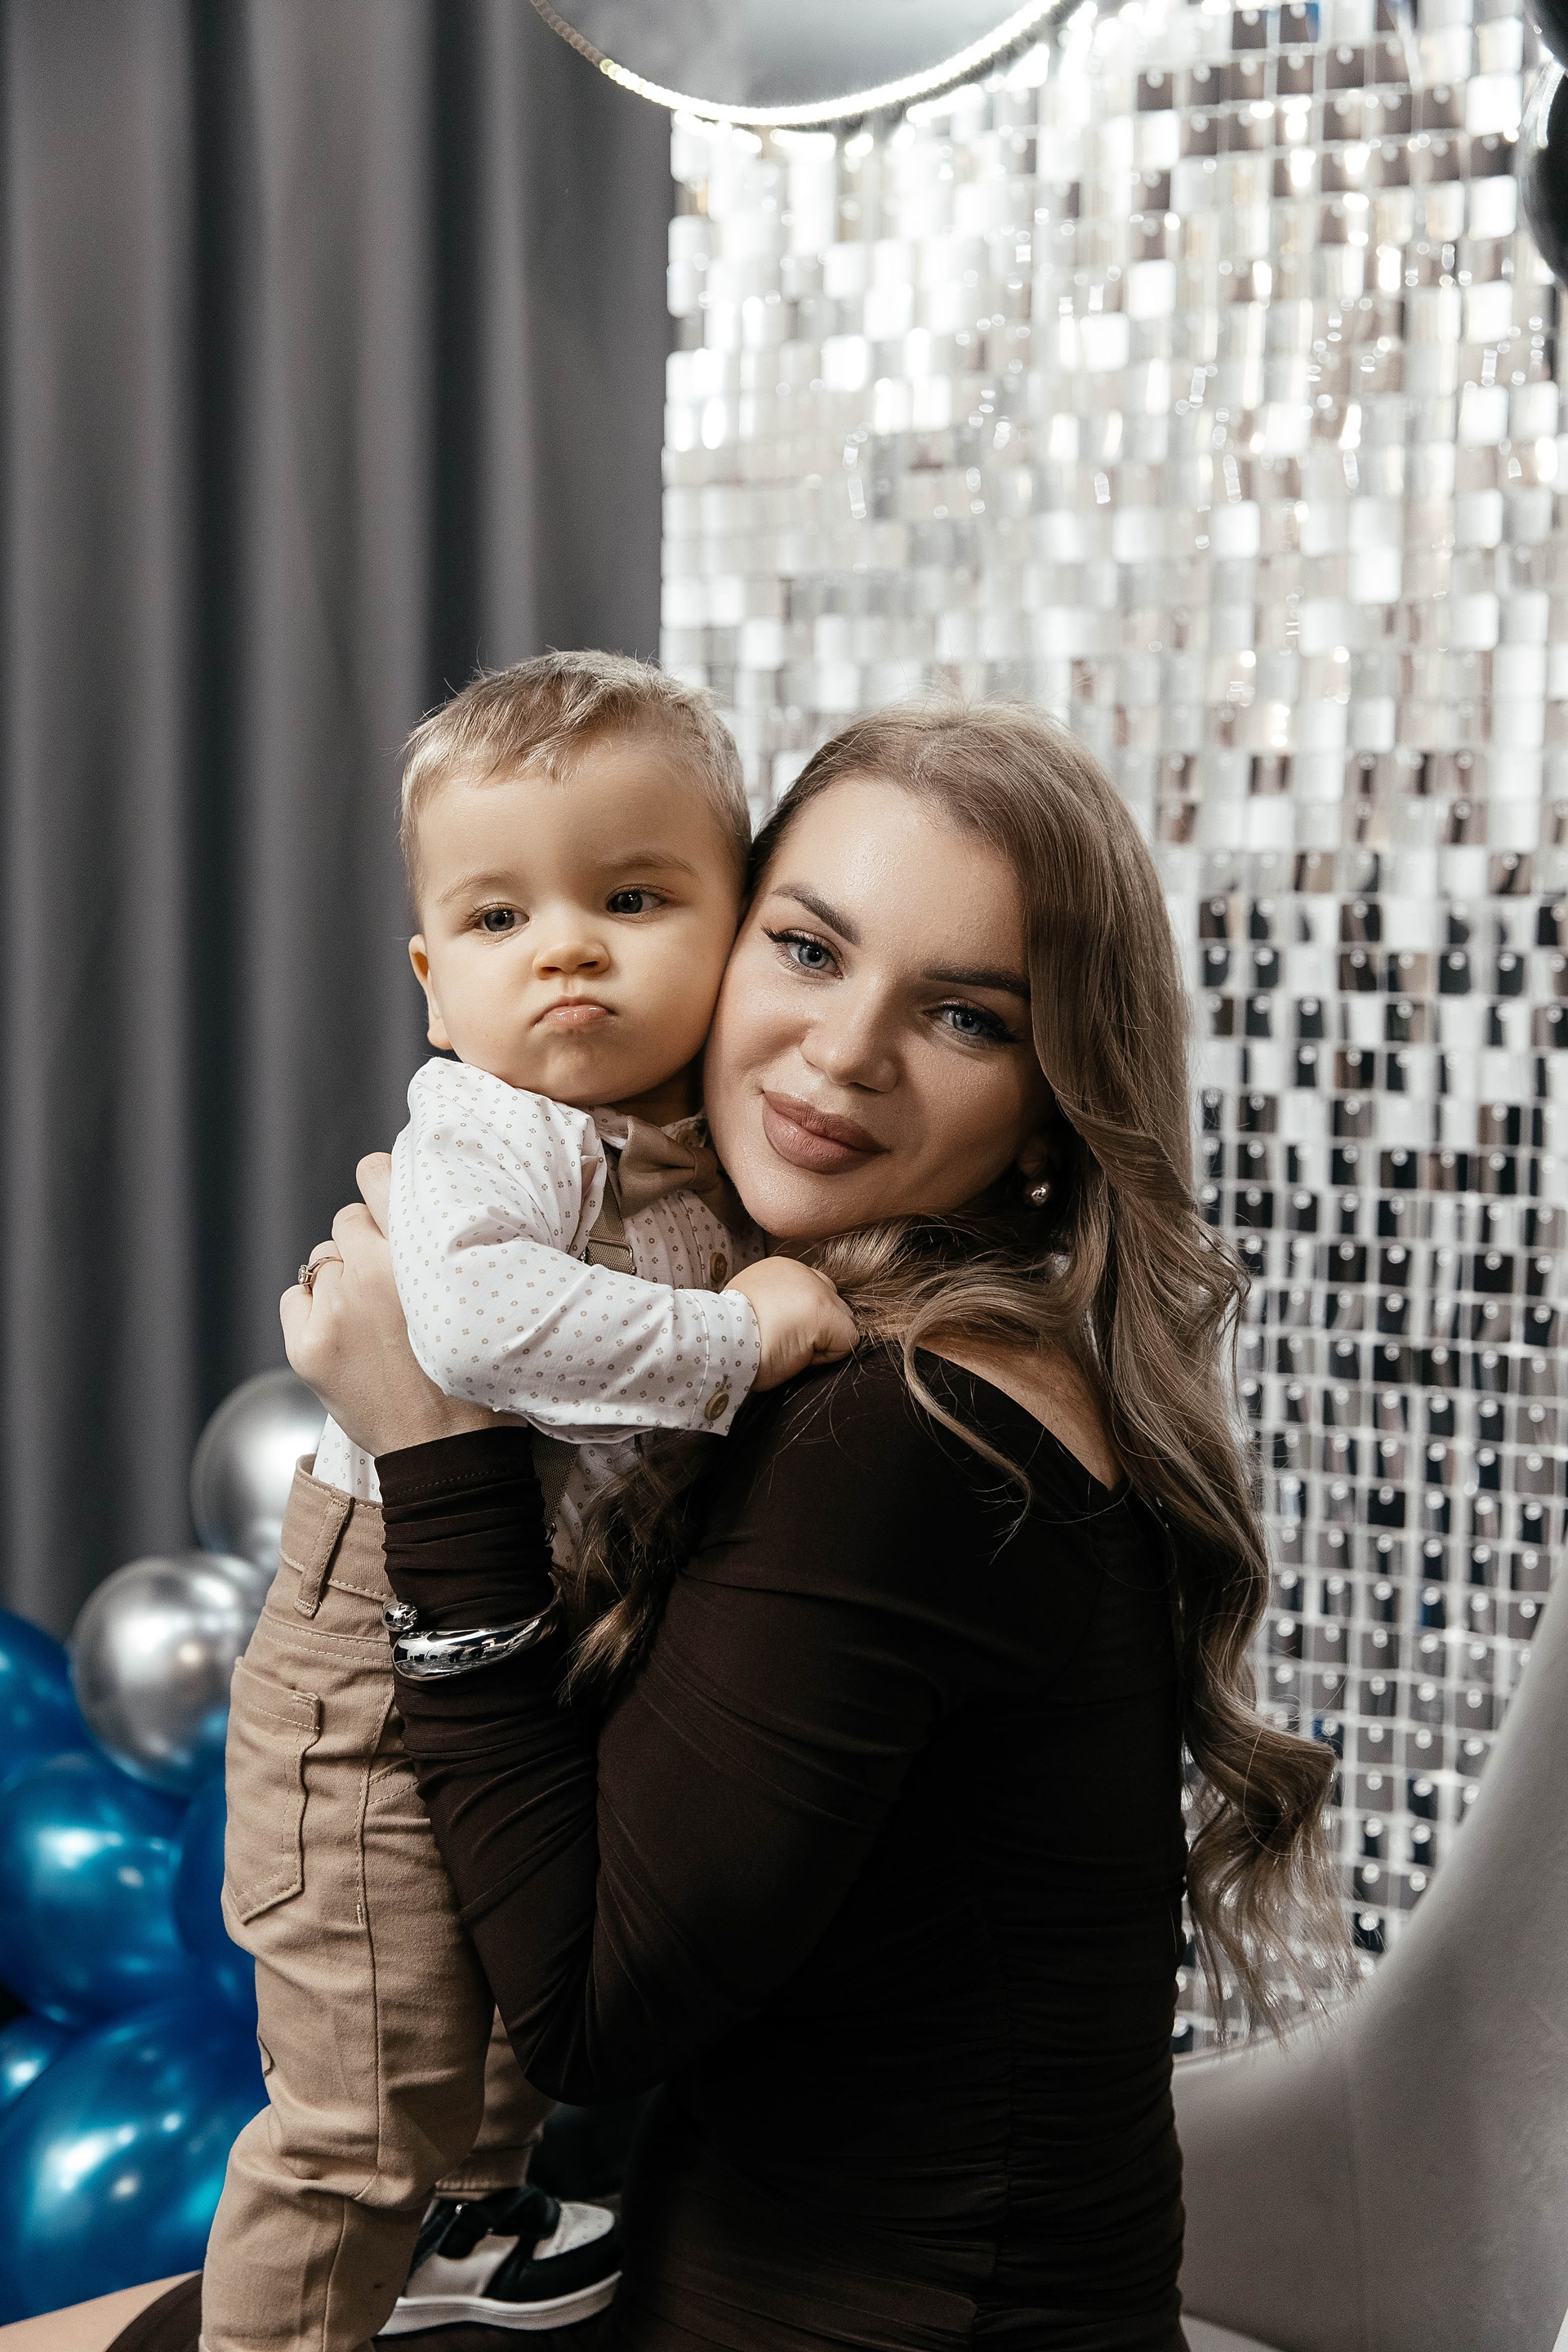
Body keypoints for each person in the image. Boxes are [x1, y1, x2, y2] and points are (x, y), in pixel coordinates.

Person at [92, 703, 1341, 2352]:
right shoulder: (854, 1333)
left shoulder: (905, 1433)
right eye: (810, 950)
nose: (845, 1051)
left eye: (964, 1015)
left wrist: (437, 1448)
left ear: (1051, 1108)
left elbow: (588, 2010)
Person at [203, 653, 858, 2352]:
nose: (564, 949)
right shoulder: (497, 1128)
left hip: (532, 1620)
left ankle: (470, 2224)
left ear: (741, 929)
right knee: (362, 2101)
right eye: (500, 920)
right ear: (434, 986)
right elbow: (478, 1327)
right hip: (366, 1653)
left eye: (631, 899)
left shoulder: (698, 1132)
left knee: (501, 1984)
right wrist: (739, 1338)